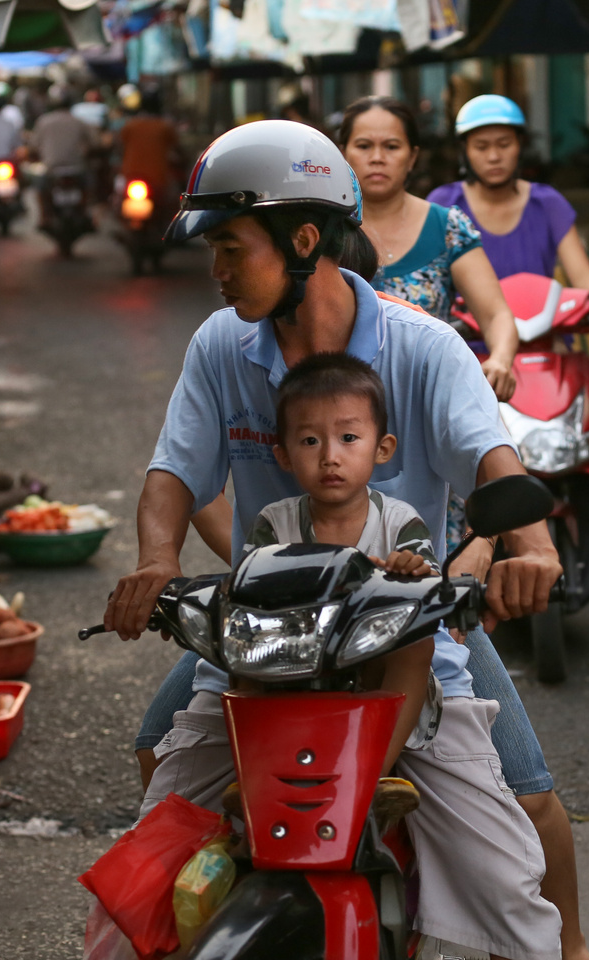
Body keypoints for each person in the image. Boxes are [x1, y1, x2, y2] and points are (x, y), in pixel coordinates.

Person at [108, 119, 577, 958]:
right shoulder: (222, 345)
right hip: (266, 640)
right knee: (155, 811)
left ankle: (562, 945)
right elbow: (174, 471)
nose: (214, 270)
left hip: (405, 638)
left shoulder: (424, 347)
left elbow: (492, 462)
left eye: (229, 247)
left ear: (304, 239)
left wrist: (533, 548)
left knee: (514, 860)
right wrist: (156, 562)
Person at [142, 351, 560, 960]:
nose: (330, 455)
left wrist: (416, 573)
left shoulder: (402, 522)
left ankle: (371, 776)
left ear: (382, 448)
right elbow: (252, 580)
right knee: (157, 823)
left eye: (348, 438)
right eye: (310, 440)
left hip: (379, 684)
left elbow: (422, 570)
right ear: (283, 455)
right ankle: (255, 772)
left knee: (417, 647)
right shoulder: (272, 523)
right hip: (289, 677)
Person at [339, 96, 518, 401]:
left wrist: (500, 358)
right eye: (364, 146)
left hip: (431, 399)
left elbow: (496, 315)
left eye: (392, 147)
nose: (378, 157)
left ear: (412, 157)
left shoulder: (447, 228)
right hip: (338, 403)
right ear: (342, 153)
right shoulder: (320, 230)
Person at [430, 95, 589, 321]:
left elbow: (583, 278)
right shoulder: (444, 204)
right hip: (466, 345)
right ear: (465, 151)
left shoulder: (548, 203)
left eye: (504, 144)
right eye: (481, 147)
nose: (494, 156)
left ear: (521, 145)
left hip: (543, 338)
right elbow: (426, 278)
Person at [117, 86, 180, 209]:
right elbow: (177, 147)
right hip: (158, 179)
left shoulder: (130, 125)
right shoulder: (166, 127)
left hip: (130, 175)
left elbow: (120, 148)